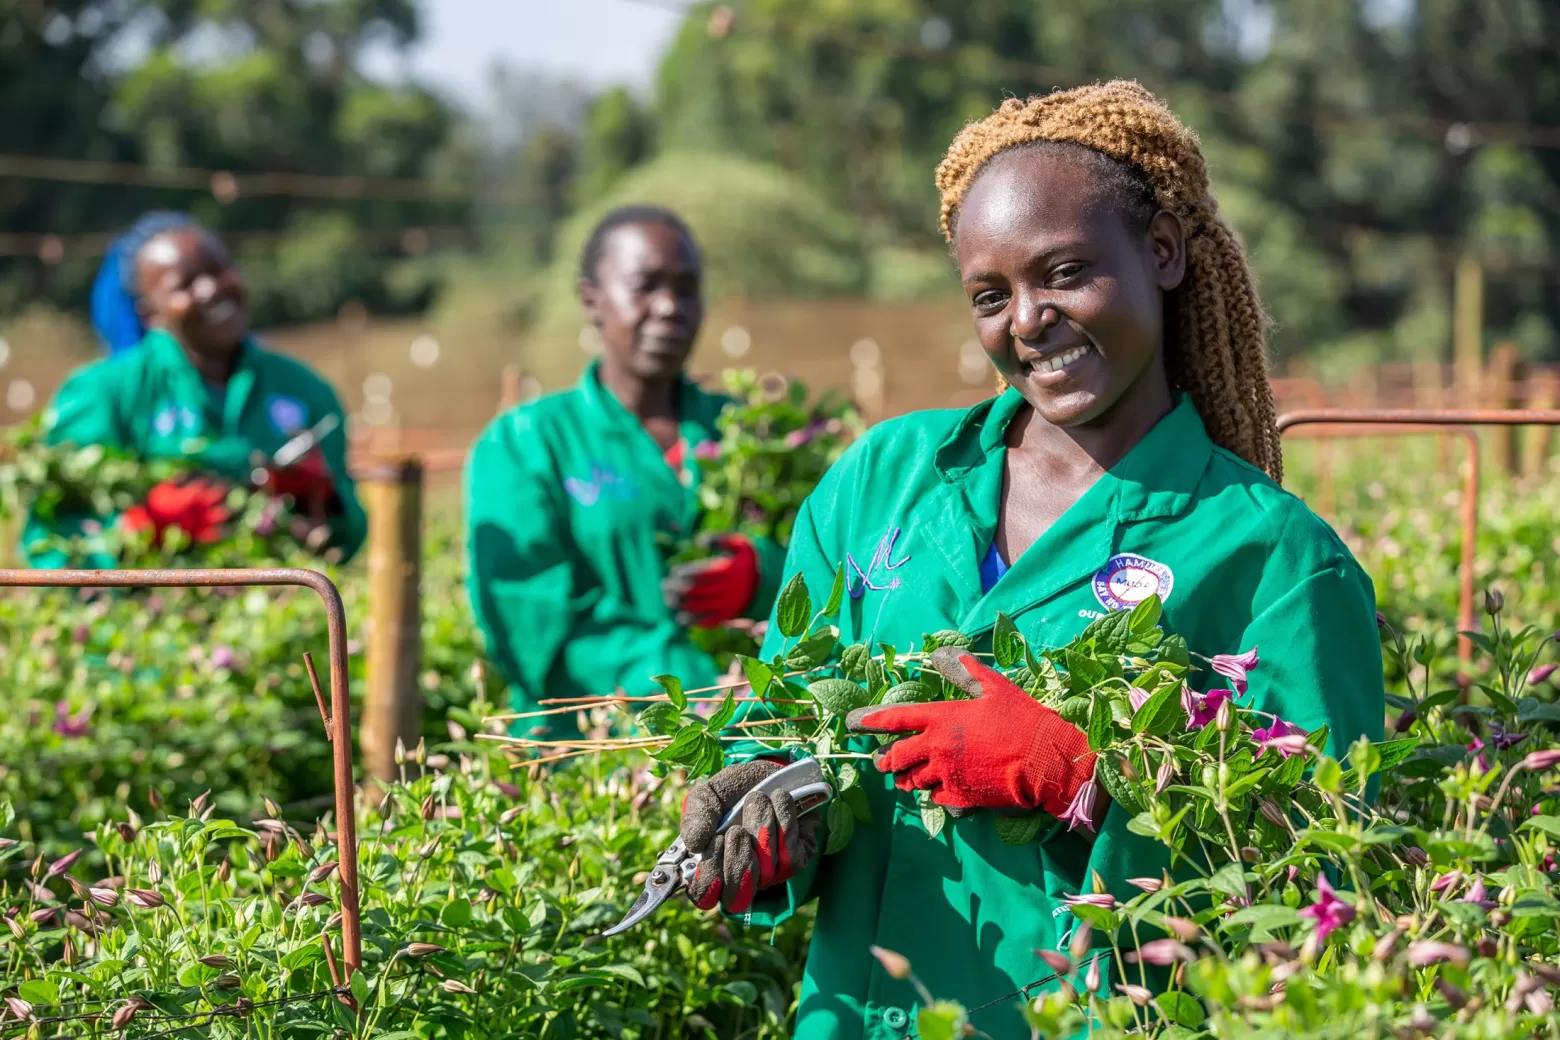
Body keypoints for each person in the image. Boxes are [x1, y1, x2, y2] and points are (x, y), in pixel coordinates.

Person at [673, 82, 1385, 1038]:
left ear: (1163, 253)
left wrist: (1083, 781)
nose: (1028, 320)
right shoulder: (885, 479)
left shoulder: (1276, 560)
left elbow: (1317, 879)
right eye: (990, 295)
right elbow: (790, 717)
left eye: (1064, 272)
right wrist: (759, 795)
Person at [464, 205, 786, 739]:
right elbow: (535, 621)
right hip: (594, 754)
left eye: (687, 288)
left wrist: (762, 573)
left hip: (755, 738)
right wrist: (700, 693)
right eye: (646, 286)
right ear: (591, 298)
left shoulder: (747, 431)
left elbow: (827, 566)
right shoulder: (525, 443)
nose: (670, 308)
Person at [24, 219, 364, 567]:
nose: (211, 289)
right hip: (147, 615)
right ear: (150, 314)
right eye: (184, 284)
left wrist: (323, 505)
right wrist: (143, 529)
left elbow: (350, 527)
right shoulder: (104, 393)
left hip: (281, 606)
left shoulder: (304, 390)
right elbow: (51, 539)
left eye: (219, 270)